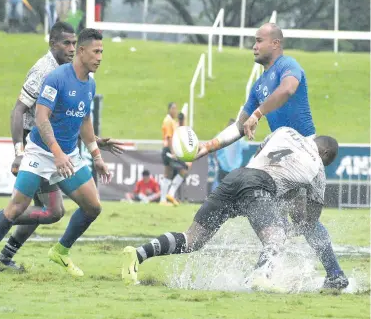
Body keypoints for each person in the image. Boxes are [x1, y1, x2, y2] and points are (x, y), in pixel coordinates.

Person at [192, 23, 347, 289]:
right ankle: (323, 275)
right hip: (280, 157)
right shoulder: (258, 85)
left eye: (259, 40)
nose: (254, 45)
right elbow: (240, 125)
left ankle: (320, 274)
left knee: (295, 220)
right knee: (288, 219)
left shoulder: (289, 65)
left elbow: (287, 90)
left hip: (301, 154)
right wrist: (210, 145)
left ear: (275, 43)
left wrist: (258, 114)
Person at [122, 127, 348, 290]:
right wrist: (294, 227)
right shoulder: (318, 166)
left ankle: (138, 254)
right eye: (328, 162)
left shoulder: (285, 131)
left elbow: (261, 153)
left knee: (192, 239)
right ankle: (259, 279)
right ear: (326, 155)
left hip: (235, 178)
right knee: (276, 239)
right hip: (259, 187)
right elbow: (311, 216)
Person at [0, 22, 123, 271]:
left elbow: (81, 118)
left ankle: (56, 250)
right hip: (40, 149)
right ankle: (0, 230)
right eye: (68, 43)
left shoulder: (88, 81)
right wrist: (19, 152)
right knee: (26, 208)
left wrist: (96, 150)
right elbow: (24, 112)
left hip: (66, 153)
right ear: (54, 44)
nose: (72, 48)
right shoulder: (48, 73)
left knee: (78, 208)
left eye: (75, 43)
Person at [160, 102, 189, 206]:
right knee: (183, 169)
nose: (175, 110)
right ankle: (169, 195)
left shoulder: (172, 121)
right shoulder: (168, 121)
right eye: (173, 108)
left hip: (169, 149)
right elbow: (169, 137)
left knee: (168, 173)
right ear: (169, 109)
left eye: (176, 108)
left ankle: (164, 199)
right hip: (169, 150)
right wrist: (173, 152)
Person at [213, 118, 249, 190]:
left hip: (233, 169)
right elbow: (214, 148)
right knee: (223, 188)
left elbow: (246, 146)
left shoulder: (239, 138)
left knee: (230, 189)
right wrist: (217, 160)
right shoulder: (222, 136)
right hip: (224, 167)